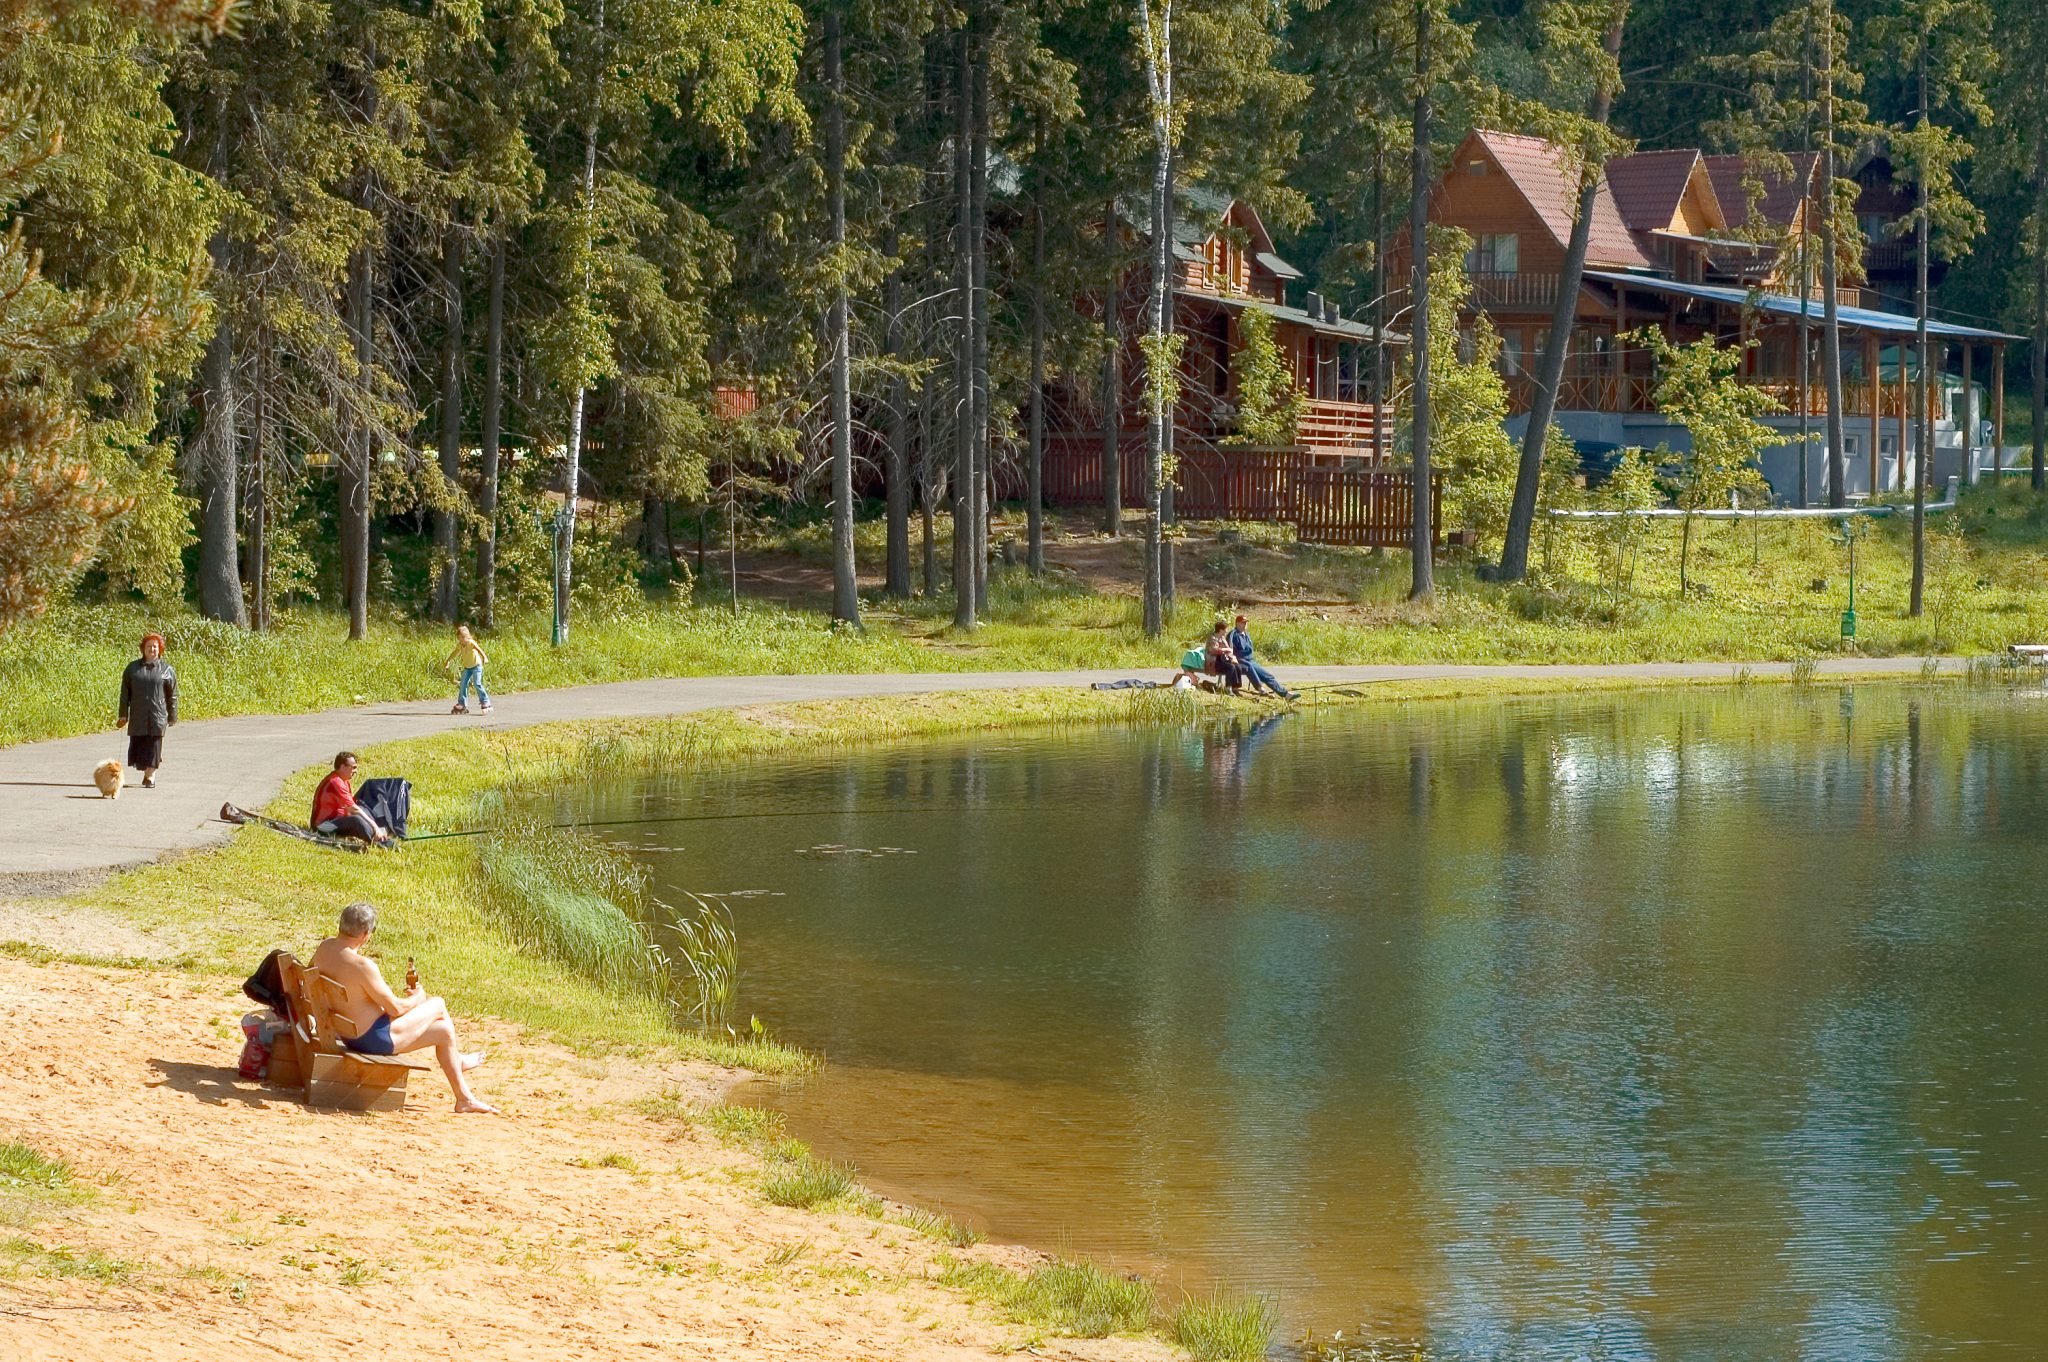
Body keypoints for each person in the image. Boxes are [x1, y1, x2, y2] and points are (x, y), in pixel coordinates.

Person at [309, 902, 496, 1114]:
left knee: (444, 1033)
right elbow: (395, 1008)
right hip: (372, 1038)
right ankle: (459, 1061)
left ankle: (464, 1098)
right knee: (438, 1004)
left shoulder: (325, 948)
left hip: (345, 1030)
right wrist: (418, 998)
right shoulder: (363, 966)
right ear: (366, 934)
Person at [116, 633, 177, 788]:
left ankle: (150, 776)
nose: (152, 649)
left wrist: (172, 715)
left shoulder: (167, 670)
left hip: (158, 715)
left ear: (160, 649)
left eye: (155, 646)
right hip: (138, 715)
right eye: (149, 646)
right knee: (141, 747)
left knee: (154, 746)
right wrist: (123, 714)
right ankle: (146, 771)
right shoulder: (132, 669)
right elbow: (125, 694)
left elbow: (172, 695)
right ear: (143, 649)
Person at [312, 751, 390, 845]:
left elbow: (350, 808)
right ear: (342, 767)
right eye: (353, 767)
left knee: (363, 808)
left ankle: (378, 833)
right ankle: (379, 840)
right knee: (356, 820)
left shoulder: (344, 781)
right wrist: (374, 826)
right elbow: (353, 809)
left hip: (338, 820)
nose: (355, 771)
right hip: (323, 825)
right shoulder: (335, 782)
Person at [1228, 614, 1294, 699]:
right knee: (1249, 666)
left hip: (1250, 660)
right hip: (1239, 661)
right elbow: (1230, 650)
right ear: (1237, 624)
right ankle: (1260, 688)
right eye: (1243, 623)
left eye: (1246, 623)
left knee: (1267, 675)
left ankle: (1284, 694)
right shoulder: (1233, 634)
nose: (1245, 624)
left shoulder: (1246, 634)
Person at [444, 625, 491, 715]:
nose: (461, 640)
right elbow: (455, 653)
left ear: (467, 636)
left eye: (463, 637)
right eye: (459, 638)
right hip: (467, 668)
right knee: (463, 684)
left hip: (477, 666)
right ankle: (462, 704)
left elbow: (479, 650)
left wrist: (484, 658)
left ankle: (485, 701)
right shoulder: (460, 645)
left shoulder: (471, 643)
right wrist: (448, 661)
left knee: (477, 683)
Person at [1203, 620, 1249, 693]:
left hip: (1223, 660)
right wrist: (1224, 650)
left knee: (1237, 666)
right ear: (1221, 630)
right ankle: (1228, 687)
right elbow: (1214, 650)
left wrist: (1233, 657)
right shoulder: (1212, 639)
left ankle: (1235, 687)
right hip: (1214, 662)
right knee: (1231, 667)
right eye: (1225, 629)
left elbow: (1229, 650)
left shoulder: (1222, 638)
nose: (1226, 631)